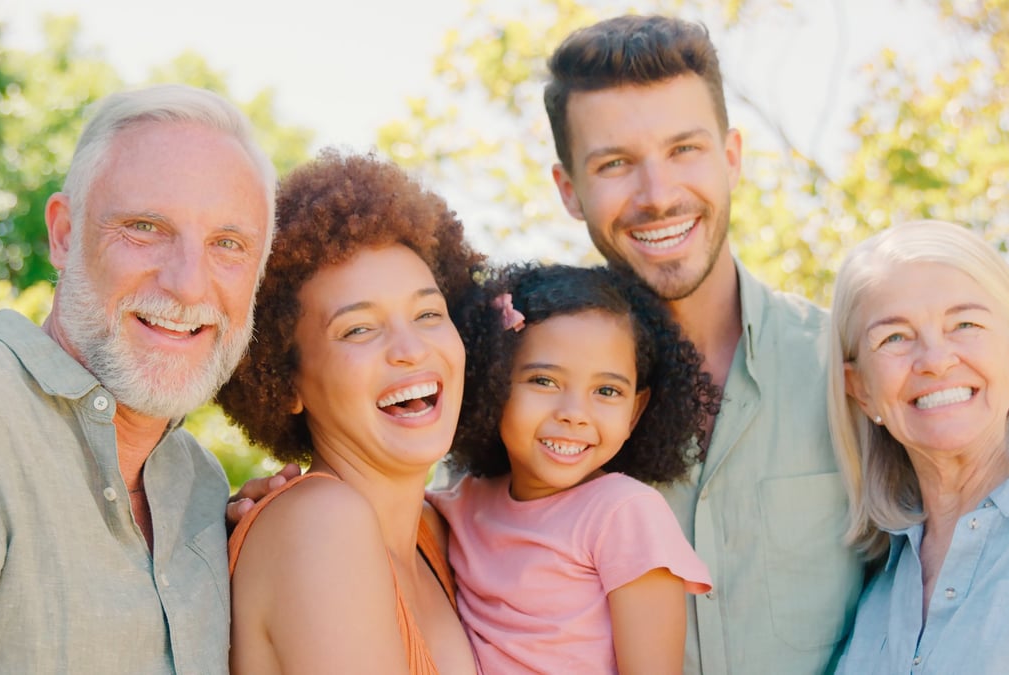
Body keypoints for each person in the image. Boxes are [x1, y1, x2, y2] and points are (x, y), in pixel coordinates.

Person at [0, 84, 277, 672]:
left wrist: (266, 542)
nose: (188, 284)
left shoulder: (200, 487)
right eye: (146, 227)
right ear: (64, 233)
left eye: (228, 244)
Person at [542, 14, 865, 673]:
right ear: (570, 191)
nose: (658, 196)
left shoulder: (847, 368)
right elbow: (420, 556)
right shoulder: (519, 398)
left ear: (732, 157)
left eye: (684, 149)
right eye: (615, 164)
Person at [216, 150, 482, 675]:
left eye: (429, 313)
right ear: (286, 382)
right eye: (358, 329)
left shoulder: (438, 531)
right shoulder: (322, 523)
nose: (410, 349)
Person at [427, 263, 716, 673]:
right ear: (494, 383)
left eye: (606, 391)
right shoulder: (462, 502)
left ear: (635, 411)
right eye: (544, 381)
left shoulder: (625, 514)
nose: (574, 414)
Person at [828, 220, 1009, 673]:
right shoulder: (869, 587)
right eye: (895, 338)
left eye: (965, 324)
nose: (936, 360)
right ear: (861, 390)